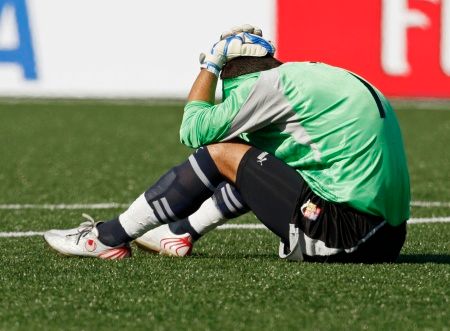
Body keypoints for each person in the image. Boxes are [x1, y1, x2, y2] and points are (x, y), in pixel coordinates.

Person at [44, 25, 410, 263]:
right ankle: (181, 233)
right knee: (251, 155)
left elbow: (193, 130)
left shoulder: (263, 87)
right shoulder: (312, 79)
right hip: (387, 236)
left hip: (345, 235)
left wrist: (213, 63)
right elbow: (254, 160)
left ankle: (107, 238)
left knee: (221, 152)